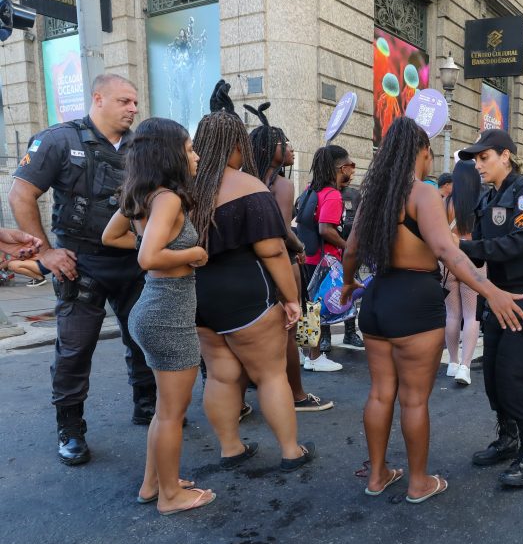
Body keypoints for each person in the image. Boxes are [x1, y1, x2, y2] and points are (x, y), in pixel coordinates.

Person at [341, 118, 523, 501]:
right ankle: (418, 481)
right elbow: (447, 251)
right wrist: (490, 290)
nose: (428, 163)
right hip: (415, 302)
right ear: (422, 153)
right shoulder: (422, 194)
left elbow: (351, 250)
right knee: (413, 399)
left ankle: (377, 476)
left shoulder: (372, 194)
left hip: (377, 299)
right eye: (427, 155)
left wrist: (346, 283)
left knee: (379, 394)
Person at [8, 73, 157, 466]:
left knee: (142, 338)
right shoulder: (59, 140)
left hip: (132, 262)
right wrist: (47, 254)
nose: (134, 109)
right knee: (74, 350)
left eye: (136, 102)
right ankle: (70, 429)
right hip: (79, 264)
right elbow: (22, 194)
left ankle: (147, 405)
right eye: (125, 101)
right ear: (98, 99)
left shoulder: (141, 146)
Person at [101, 117, 215, 516]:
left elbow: (111, 236)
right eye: (188, 149)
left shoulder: (143, 195)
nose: (196, 155)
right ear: (170, 155)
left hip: (154, 310)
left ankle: (154, 484)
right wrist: (193, 254)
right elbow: (148, 258)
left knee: (165, 410)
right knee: (172, 413)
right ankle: (170, 496)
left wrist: (151, 239)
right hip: (167, 314)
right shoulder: (167, 198)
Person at [191, 108, 315, 472]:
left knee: (219, 374)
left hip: (199, 296)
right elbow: (272, 248)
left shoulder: (185, 187)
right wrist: (291, 299)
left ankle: (231, 448)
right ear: (233, 146)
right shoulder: (248, 186)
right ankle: (291, 451)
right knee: (270, 374)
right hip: (247, 296)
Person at [456, 128, 523, 488]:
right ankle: (508, 437)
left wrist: (463, 249)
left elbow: (516, 243)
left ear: (506, 155)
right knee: (493, 376)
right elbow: (487, 244)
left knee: (514, 375)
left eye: (484, 158)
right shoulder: (489, 198)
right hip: (500, 295)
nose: (479, 166)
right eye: (475, 160)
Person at [246, 103, 333, 412]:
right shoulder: (281, 185)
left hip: (249, 267)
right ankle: (296, 394)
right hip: (280, 263)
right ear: (273, 150)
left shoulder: (245, 180)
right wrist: (301, 248)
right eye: (286, 143)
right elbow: (282, 230)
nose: (292, 149)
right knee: (288, 332)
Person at [297, 145, 357, 369]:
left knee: (309, 309)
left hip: (309, 258)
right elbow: (326, 229)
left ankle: (308, 357)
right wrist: (347, 246)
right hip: (325, 261)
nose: (352, 171)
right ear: (341, 168)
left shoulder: (311, 189)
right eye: (351, 166)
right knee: (317, 310)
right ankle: (315, 358)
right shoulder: (332, 195)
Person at [442, 159, 484, 386]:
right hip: (473, 261)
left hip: (448, 262)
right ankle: (465, 367)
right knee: (471, 316)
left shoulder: (446, 201)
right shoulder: (480, 202)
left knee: (452, 315)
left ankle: (452, 362)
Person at [338, 184, 364, 350]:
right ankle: (324, 334)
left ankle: (350, 332)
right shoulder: (321, 192)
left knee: (351, 292)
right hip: (332, 250)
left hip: (350, 249)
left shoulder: (353, 194)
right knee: (327, 294)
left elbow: (357, 222)